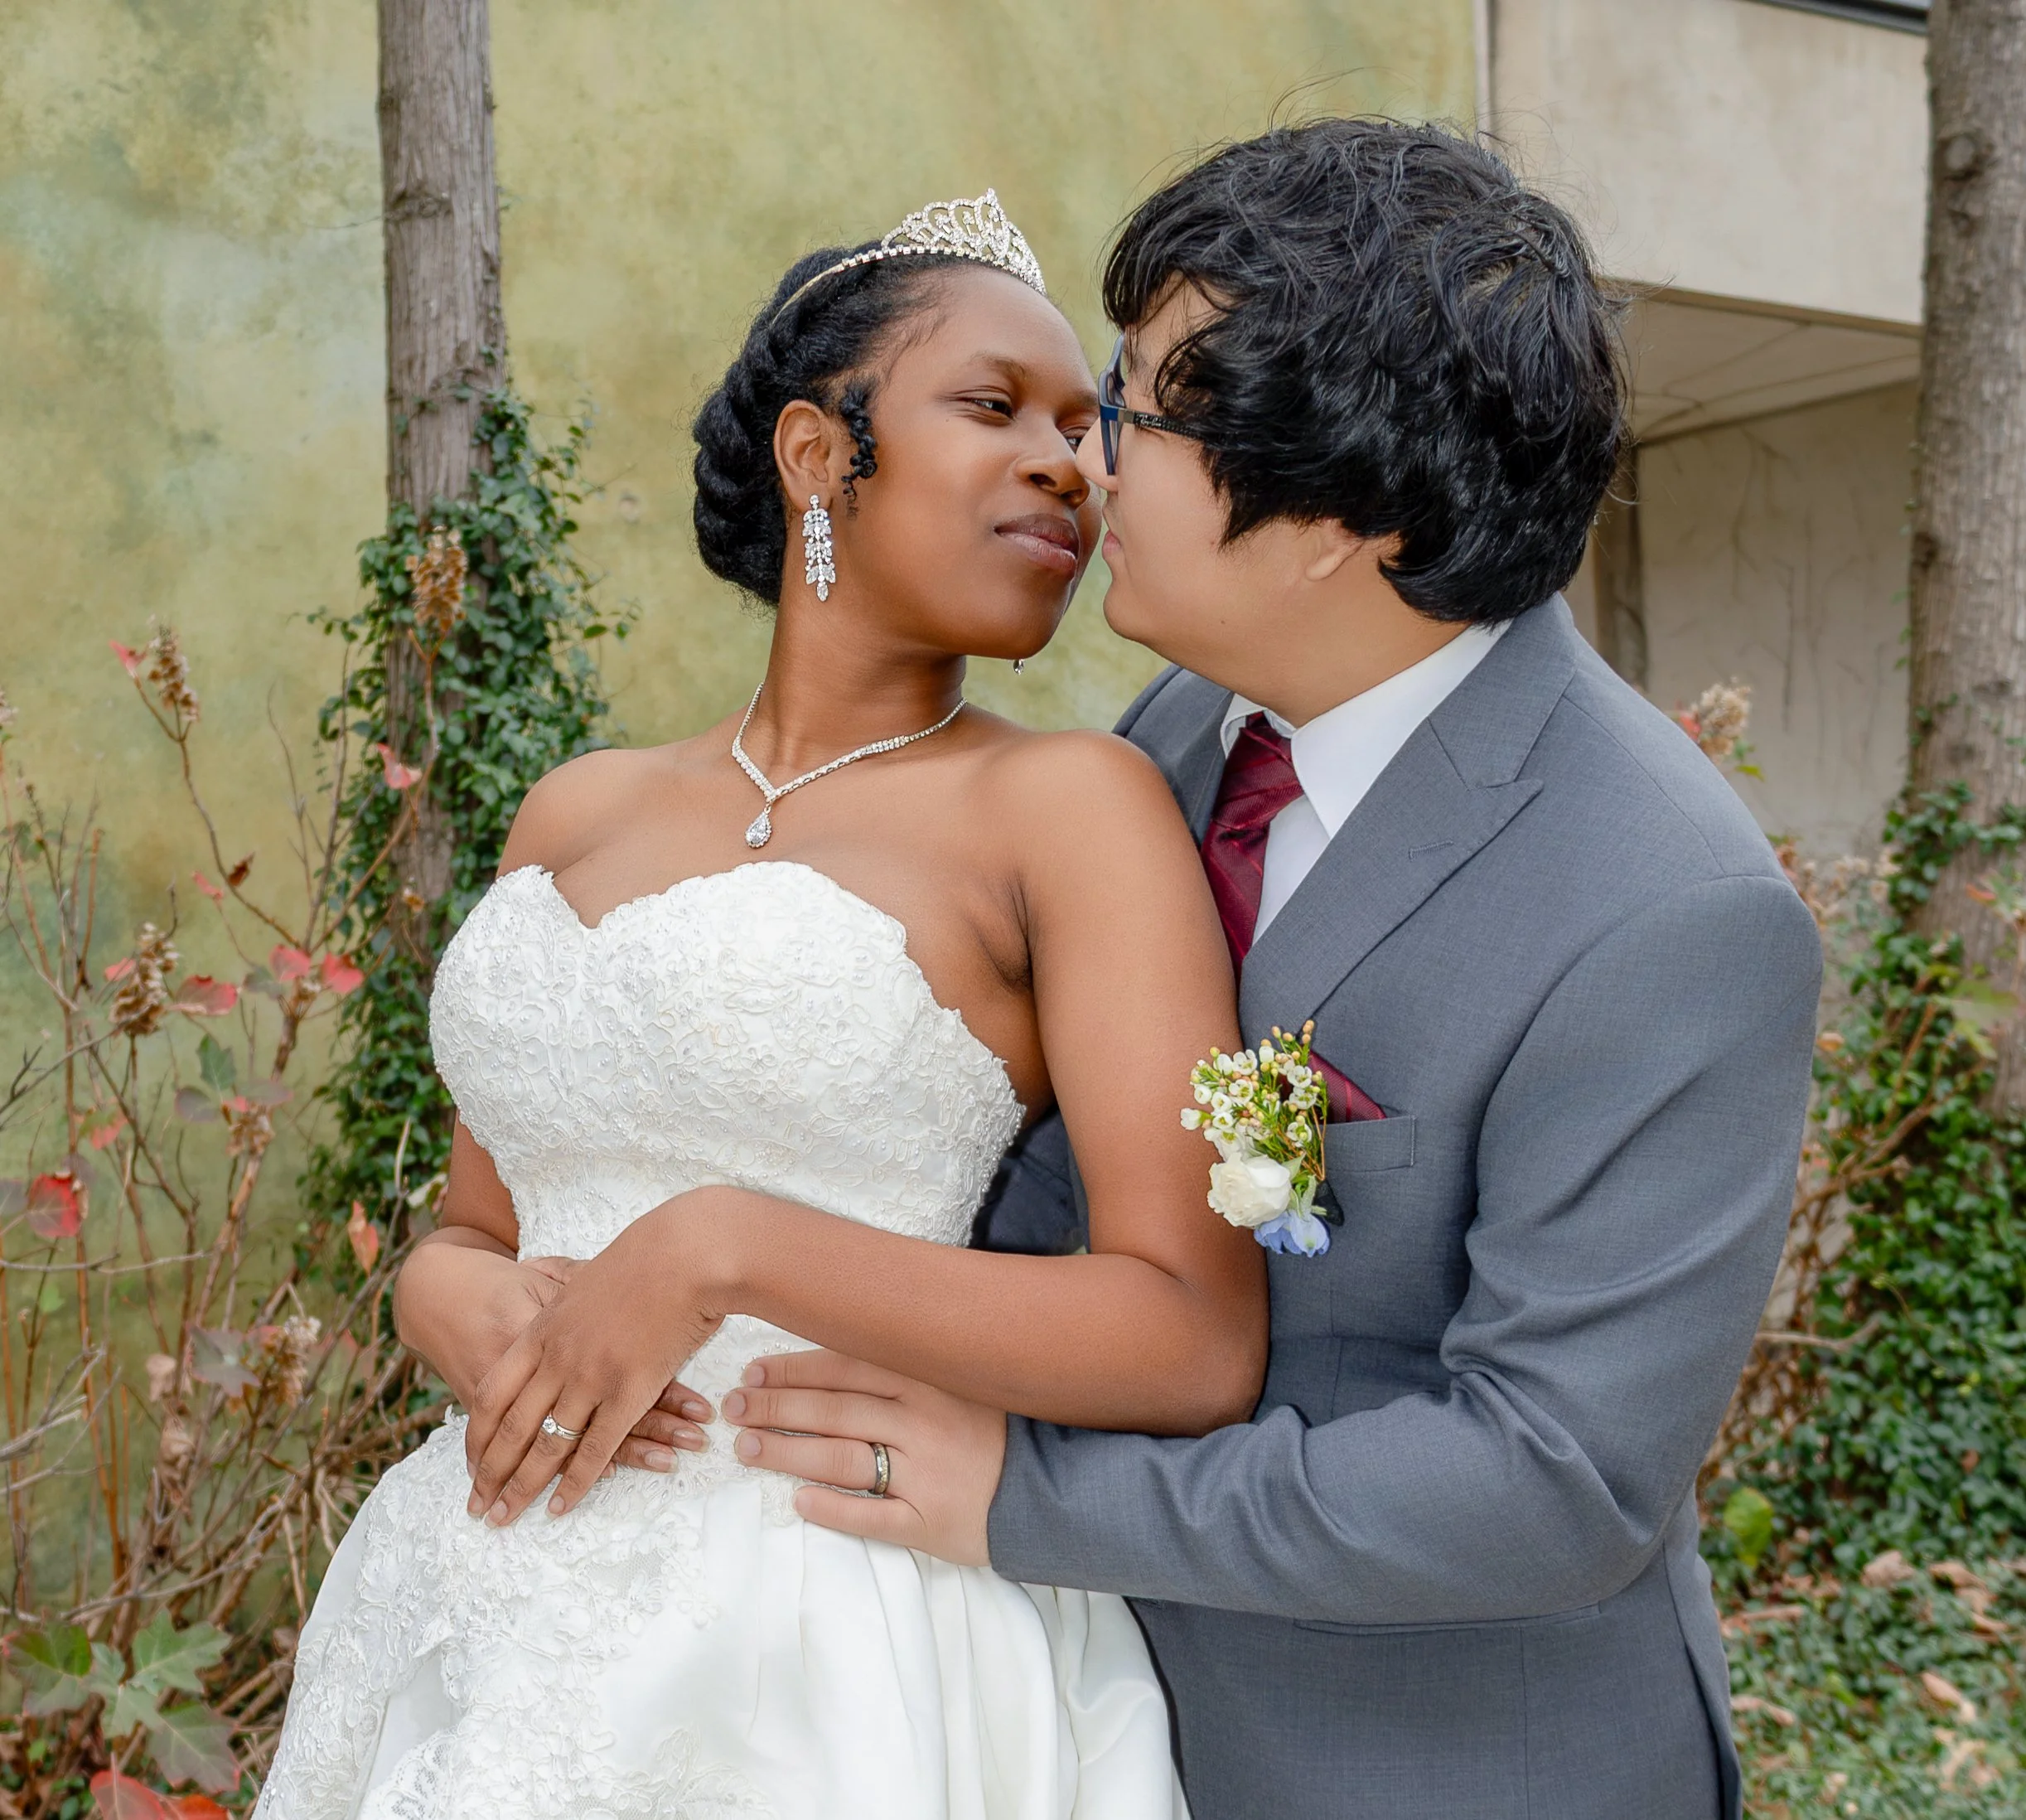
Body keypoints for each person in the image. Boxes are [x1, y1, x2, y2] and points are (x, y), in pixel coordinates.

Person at [718, 122, 1822, 1820]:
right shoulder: (1172, 735)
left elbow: (1547, 1481)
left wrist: (1023, 1498)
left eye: (1136, 410)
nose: (1089, 463)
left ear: (1336, 518)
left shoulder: (1669, 909)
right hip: (1088, 1726)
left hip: (1438, 1763)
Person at [253, 191, 1258, 1819]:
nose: (1072, 465)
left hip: (825, 1631)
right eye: (996, 408)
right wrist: (440, 1301)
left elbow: (1188, 1334)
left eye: (1092, 428)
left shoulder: (1073, 809)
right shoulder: (572, 813)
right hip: (479, 1586)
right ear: (817, 455)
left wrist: (723, 1251)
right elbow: (474, 1225)